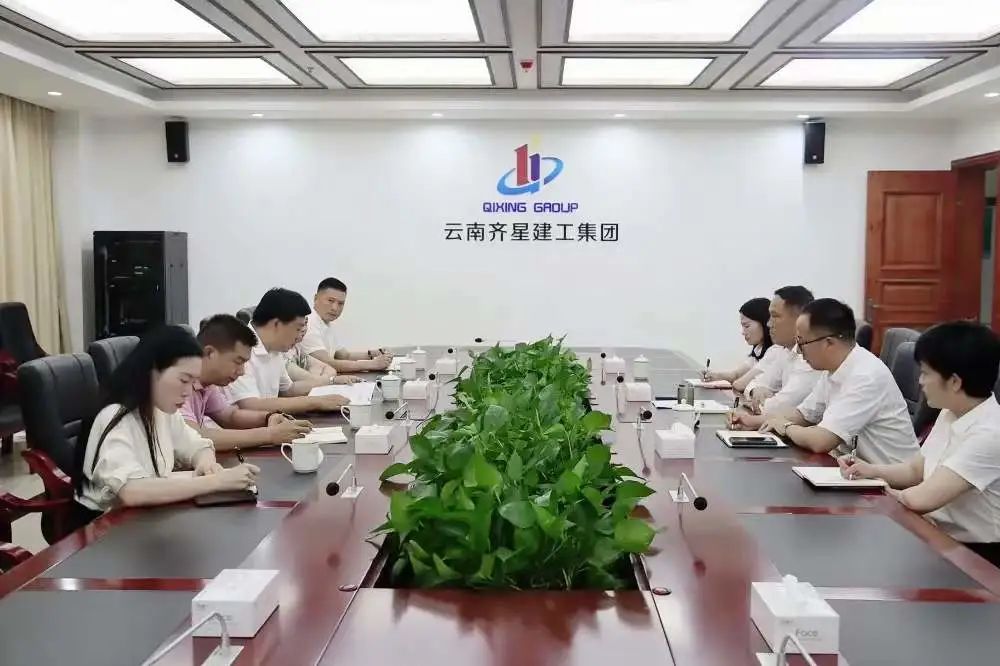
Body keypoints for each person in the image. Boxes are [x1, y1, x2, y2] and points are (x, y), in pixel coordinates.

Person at [840, 322, 1000, 565]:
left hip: (978, 558)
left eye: (925, 373)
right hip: (938, 536)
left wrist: (873, 490)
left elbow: (920, 499)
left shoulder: (990, 434)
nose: (920, 382)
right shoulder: (951, 411)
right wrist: (869, 471)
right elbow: (915, 469)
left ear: (955, 382)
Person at [71, 326, 260, 520]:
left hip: (145, 517)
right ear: (151, 372)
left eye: (193, 382)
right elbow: (132, 491)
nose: (188, 392)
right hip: (105, 526)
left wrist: (206, 464)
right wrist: (217, 482)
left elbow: (197, 445)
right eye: (184, 380)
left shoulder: (161, 407)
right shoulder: (115, 416)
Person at [760, 298, 919, 465]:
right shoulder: (833, 368)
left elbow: (821, 440)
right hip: (853, 468)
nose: (799, 351)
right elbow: (804, 415)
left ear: (829, 343)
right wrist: (763, 421)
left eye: (802, 342)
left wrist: (785, 427)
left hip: (885, 477)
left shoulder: (865, 376)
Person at [182, 314, 311, 451]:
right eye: (238, 362)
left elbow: (230, 416)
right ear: (209, 353)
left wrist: (268, 417)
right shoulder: (179, 382)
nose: (242, 371)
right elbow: (194, 437)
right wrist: (270, 435)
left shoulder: (207, 383)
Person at [226, 288, 351, 414]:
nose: (299, 337)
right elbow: (251, 405)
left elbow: (288, 390)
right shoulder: (238, 349)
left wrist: (331, 382)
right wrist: (315, 402)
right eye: (297, 329)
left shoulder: (275, 348)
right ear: (276, 324)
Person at [730, 286, 820, 429]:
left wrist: (761, 402)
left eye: (775, 316)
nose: (768, 323)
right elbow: (752, 384)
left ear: (799, 320)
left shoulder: (811, 359)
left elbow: (777, 409)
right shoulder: (783, 351)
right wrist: (756, 390)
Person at [300, 277, 392, 375]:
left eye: (340, 303)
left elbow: (345, 356)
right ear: (315, 298)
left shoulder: (325, 323)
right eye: (330, 301)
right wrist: (373, 364)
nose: (335, 308)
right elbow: (327, 363)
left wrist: (374, 353)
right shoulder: (308, 324)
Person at [703, 297, 776, 393]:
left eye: (747, 326)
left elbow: (739, 384)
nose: (743, 332)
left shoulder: (775, 352)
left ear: (765, 323)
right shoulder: (759, 350)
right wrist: (716, 376)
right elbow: (736, 375)